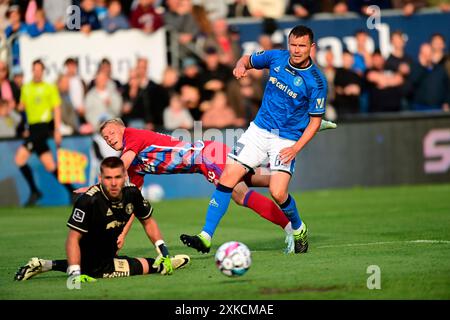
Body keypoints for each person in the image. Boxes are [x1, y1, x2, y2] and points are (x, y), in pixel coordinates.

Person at [180, 25, 328, 254]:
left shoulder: (316, 82)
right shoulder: (276, 57)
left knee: (278, 192)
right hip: (259, 130)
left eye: (302, 46)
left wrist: (295, 148)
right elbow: (247, 59)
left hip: (286, 139)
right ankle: (206, 236)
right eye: (293, 45)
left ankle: (298, 228)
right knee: (228, 177)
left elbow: (315, 122)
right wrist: (240, 66)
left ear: (312, 47)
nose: (297, 50)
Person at [14, 157, 190, 281]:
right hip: (91, 256)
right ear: (100, 179)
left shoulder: (132, 193)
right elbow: (73, 238)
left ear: (125, 177)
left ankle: (43, 265)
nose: (113, 183)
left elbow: (148, 221)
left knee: (124, 263)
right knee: (139, 268)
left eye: (117, 177)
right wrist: (75, 274)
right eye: (108, 178)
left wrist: (163, 250)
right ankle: (161, 265)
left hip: (109, 251)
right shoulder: (88, 200)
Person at [14, 60, 75, 206]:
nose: (37, 72)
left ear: (43, 71)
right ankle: (72, 191)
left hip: (42, 128)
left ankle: (35, 190)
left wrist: (57, 130)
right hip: (33, 128)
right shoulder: (26, 88)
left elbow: (57, 108)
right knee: (50, 166)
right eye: (34, 70)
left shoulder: (49, 88)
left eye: (39, 70)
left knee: (19, 159)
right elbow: (22, 107)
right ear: (32, 71)